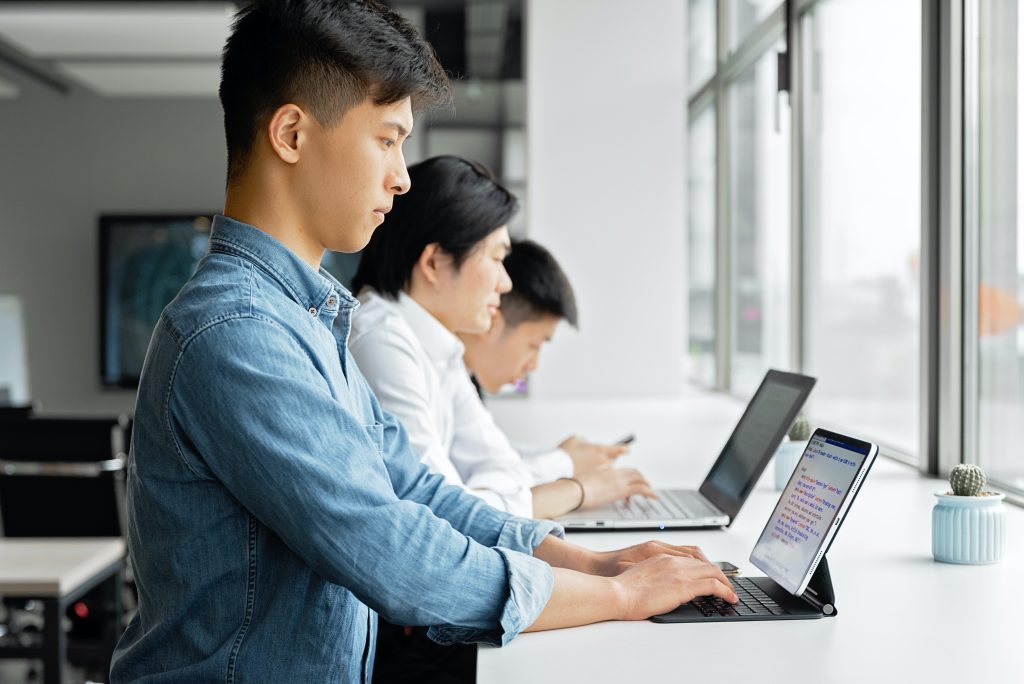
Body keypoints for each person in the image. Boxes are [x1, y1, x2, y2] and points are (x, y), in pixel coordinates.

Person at [110, 2, 736, 682]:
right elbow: (390, 551)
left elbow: (412, 489)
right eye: (386, 139)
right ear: (291, 133)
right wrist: (618, 596)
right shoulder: (238, 335)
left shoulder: (301, 319)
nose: (402, 176)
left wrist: (589, 562)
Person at [350, 155, 656, 520]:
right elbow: (444, 515)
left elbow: (498, 463)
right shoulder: (381, 342)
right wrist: (573, 490)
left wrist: (494, 489)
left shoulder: (436, 345)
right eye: (496, 259)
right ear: (434, 263)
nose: (505, 282)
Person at [460, 238, 630, 483]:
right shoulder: (430, 373)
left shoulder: (463, 381)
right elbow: (472, 490)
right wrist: (566, 467)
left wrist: (561, 459)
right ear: (493, 314)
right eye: (534, 345)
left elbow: (488, 455)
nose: (533, 365)